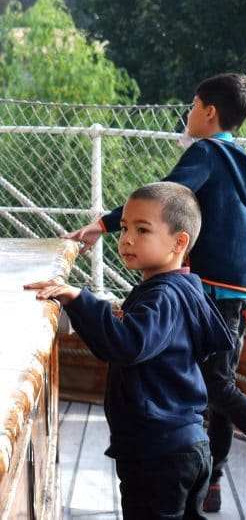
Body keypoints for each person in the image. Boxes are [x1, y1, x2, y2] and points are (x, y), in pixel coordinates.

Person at [65, 73, 246, 512]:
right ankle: (212, 481)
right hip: (236, 284)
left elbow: (165, 200)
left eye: (194, 105)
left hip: (211, 283)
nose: (189, 112)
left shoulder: (205, 151)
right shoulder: (237, 158)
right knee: (214, 382)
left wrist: (104, 224)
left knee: (214, 382)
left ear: (209, 111)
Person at [26, 182, 234, 519]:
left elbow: (126, 344)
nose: (126, 238)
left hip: (158, 453)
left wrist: (78, 299)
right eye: (123, 228)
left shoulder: (163, 296)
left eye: (142, 229)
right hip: (185, 445)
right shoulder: (182, 289)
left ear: (179, 242)